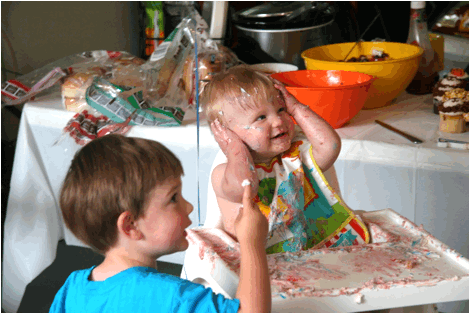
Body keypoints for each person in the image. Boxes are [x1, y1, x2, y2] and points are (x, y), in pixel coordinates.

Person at [49, 134, 271, 313]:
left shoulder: (72, 288)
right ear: (131, 225)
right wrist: (252, 243)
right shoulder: (172, 297)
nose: (189, 207)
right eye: (173, 198)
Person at [202, 65, 370, 254]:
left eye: (281, 109)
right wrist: (235, 149)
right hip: (254, 264)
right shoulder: (223, 174)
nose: (278, 121)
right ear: (228, 134)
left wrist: (297, 108)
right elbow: (247, 185)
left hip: (310, 251)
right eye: (261, 117)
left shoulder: (296, 155)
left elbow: (330, 146)